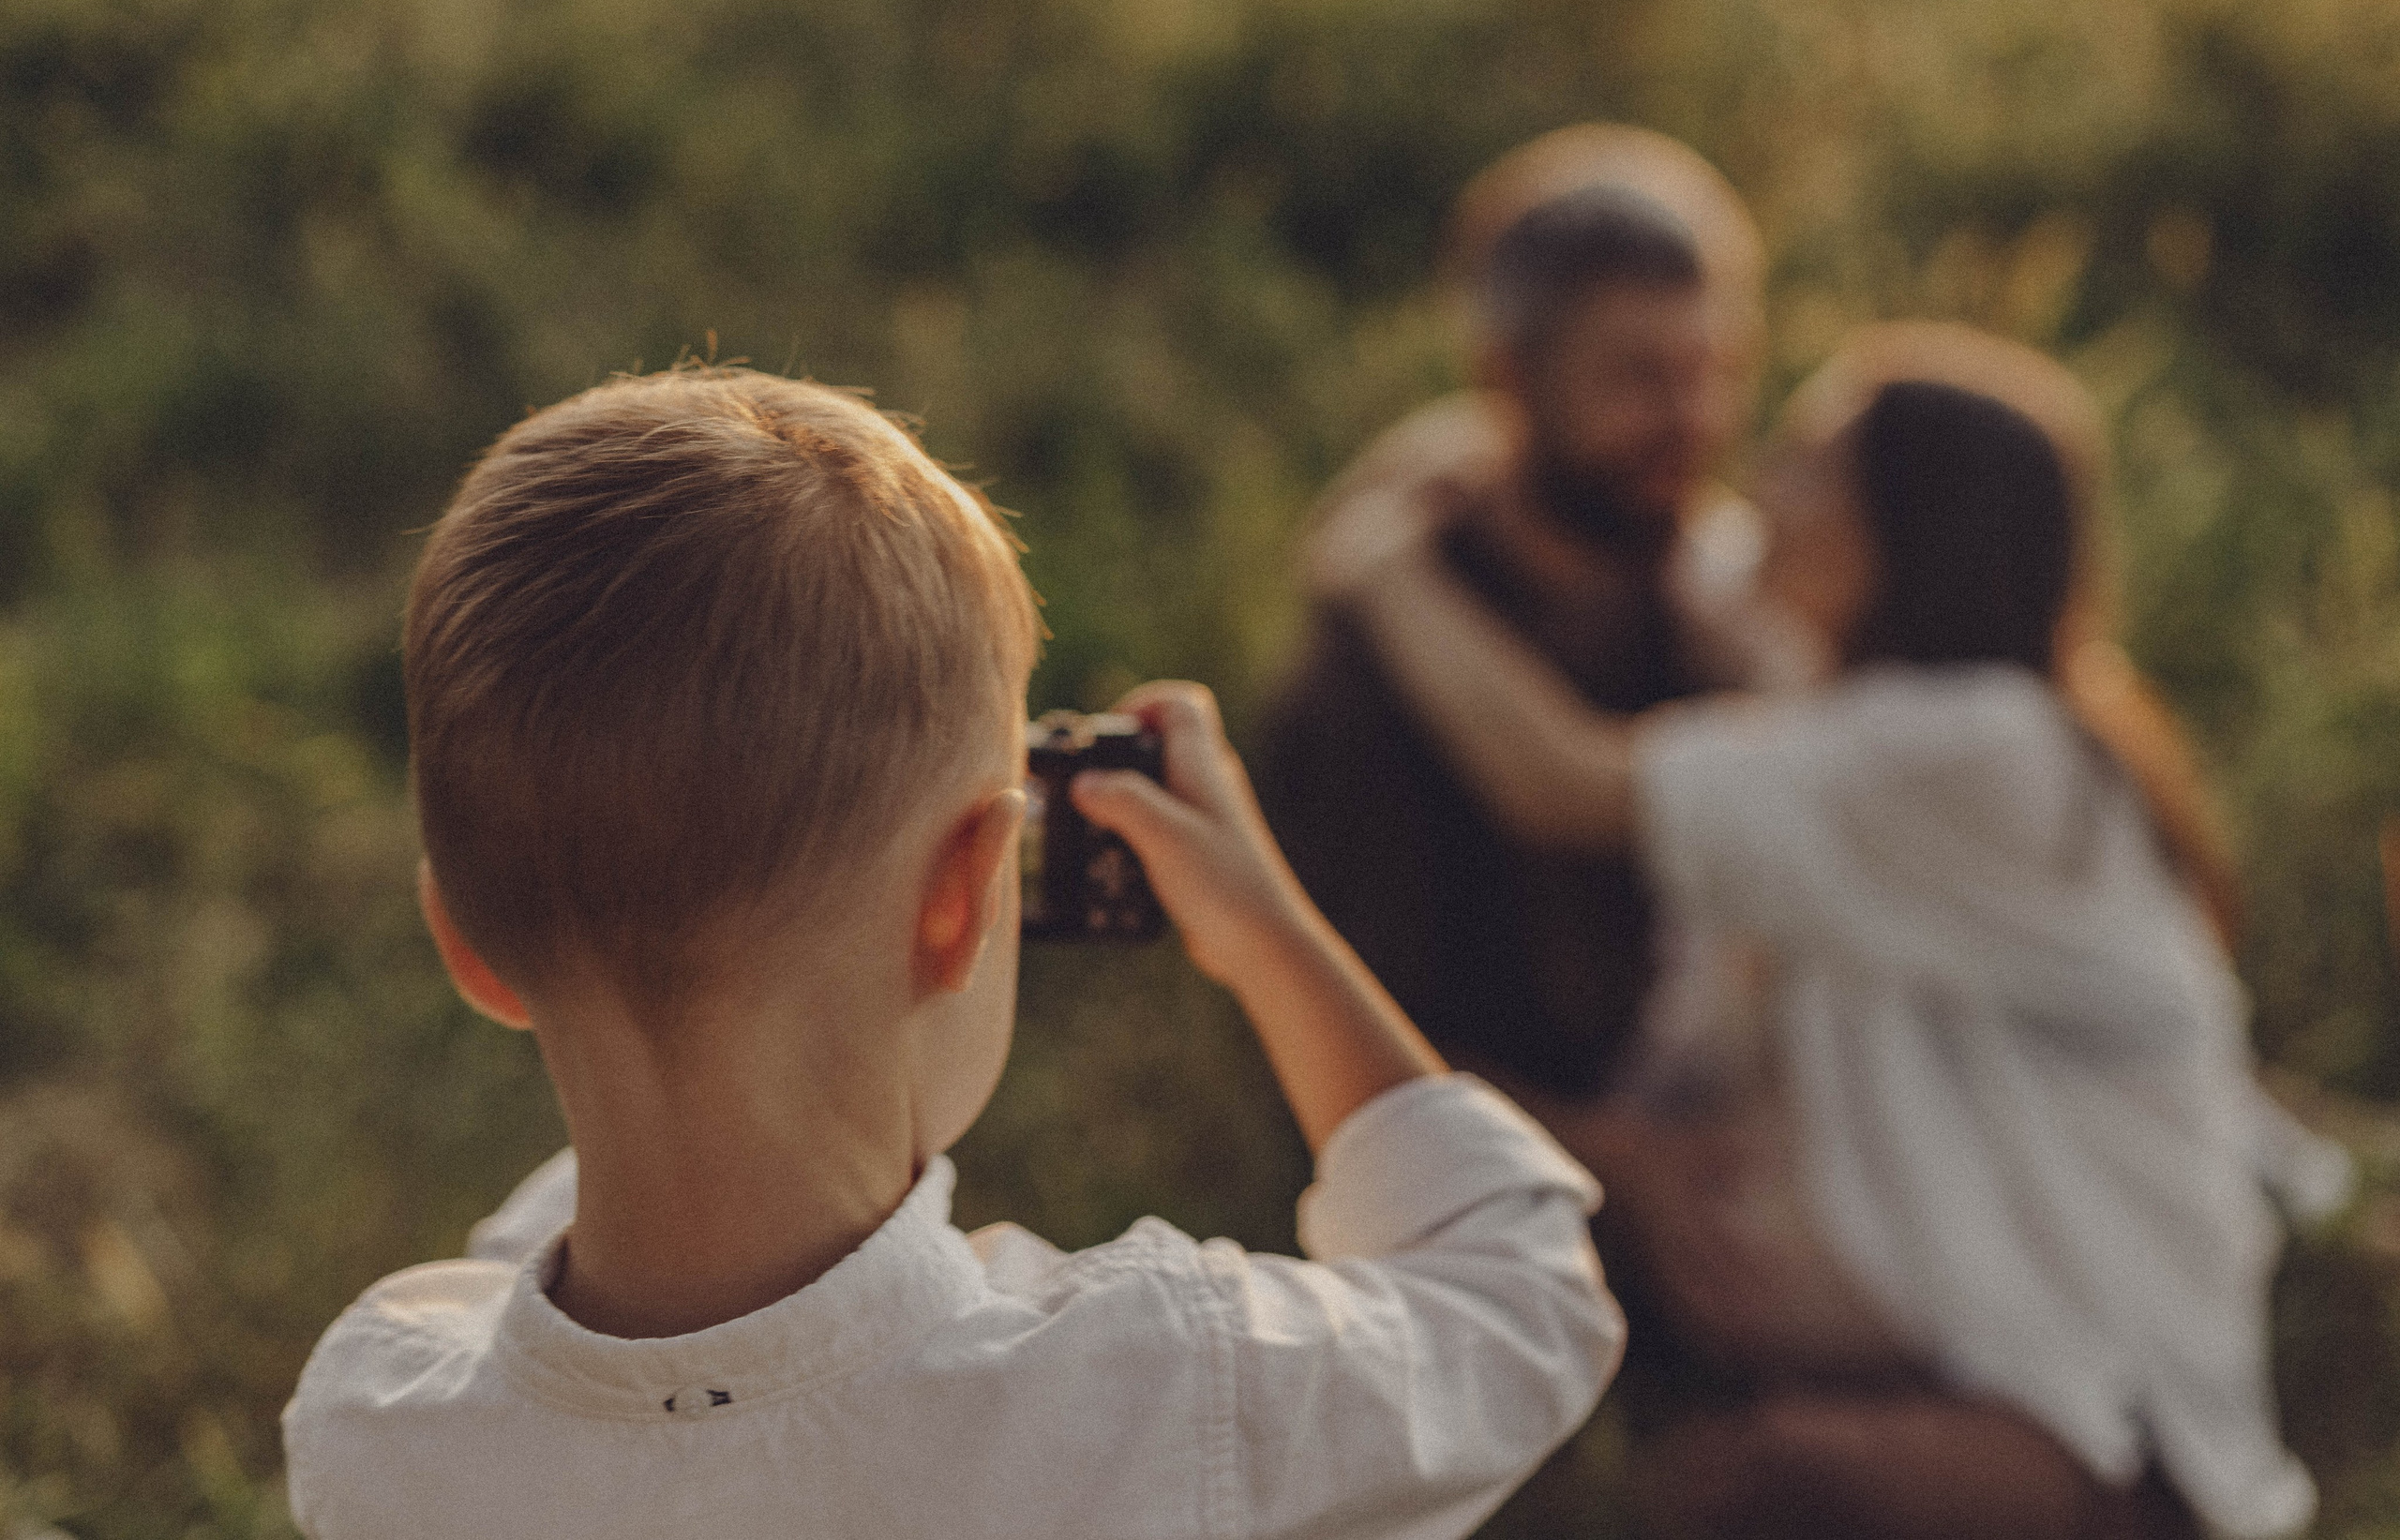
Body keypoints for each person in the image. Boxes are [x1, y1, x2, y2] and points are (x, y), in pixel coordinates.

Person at [278, 367, 1624, 1538]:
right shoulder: (1157, 1395)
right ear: (966, 894)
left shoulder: (376, 1425)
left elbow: (543, 1287)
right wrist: (1270, 930)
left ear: (468, 942)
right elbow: (1521, 1299)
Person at [1313, 369, 2337, 1540]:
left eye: (1803, 464)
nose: (1759, 482)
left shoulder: (1980, 747)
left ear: (1898, 532)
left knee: (1748, 1490)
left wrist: (1379, 562)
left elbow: (1553, 777)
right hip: (1919, 1357)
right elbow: (1693, 549)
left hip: (2088, 1411)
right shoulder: (1833, 677)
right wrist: (1501, 422)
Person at [1252, 127, 1772, 1108]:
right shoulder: (1378, 665)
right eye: (1638, 379)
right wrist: (1616, 1170)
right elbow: (1324, 1012)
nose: (1693, 417)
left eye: (1713, 369)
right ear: (1510, 379)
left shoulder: (1725, 589)